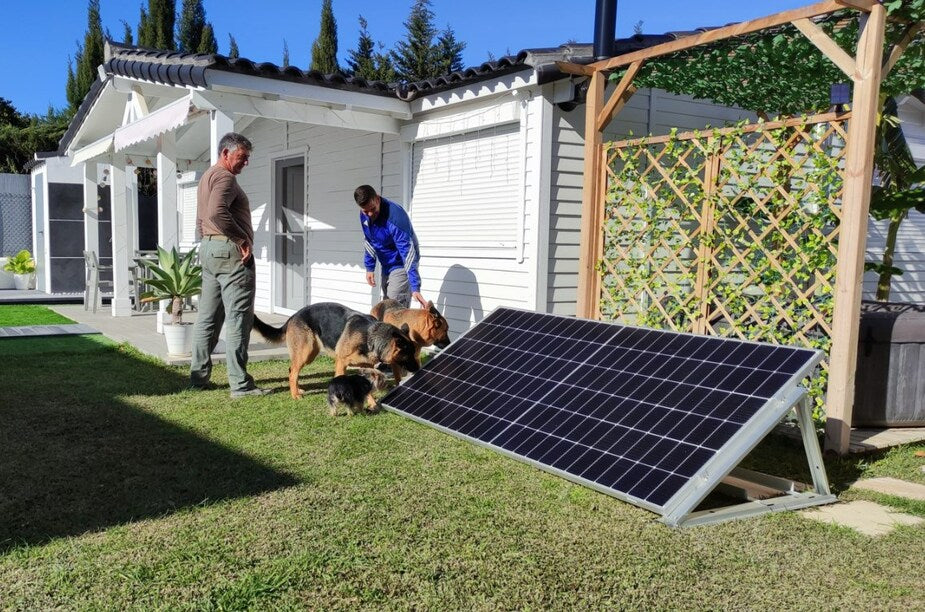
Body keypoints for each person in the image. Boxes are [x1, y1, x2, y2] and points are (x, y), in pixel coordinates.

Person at [189, 132, 269, 397]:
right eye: (241, 157)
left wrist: (209, 241)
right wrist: (241, 239)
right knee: (238, 318)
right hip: (230, 251)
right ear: (226, 153)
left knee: (208, 317)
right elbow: (215, 212)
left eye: (247, 158)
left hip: (210, 249)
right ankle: (240, 384)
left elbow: (204, 217)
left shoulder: (207, 176)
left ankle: (198, 377)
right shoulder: (224, 177)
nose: (245, 163)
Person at [354, 184, 427, 308]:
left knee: (395, 309)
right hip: (386, 264)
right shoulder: (364, 215)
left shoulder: (395, 217)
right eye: (366, 211)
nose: (370, 214)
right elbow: (369, 240)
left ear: (377, 198)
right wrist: (370, 267)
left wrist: (415, 286)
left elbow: (408, 253)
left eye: (372, 209)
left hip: (401, 264)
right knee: (387, 307)